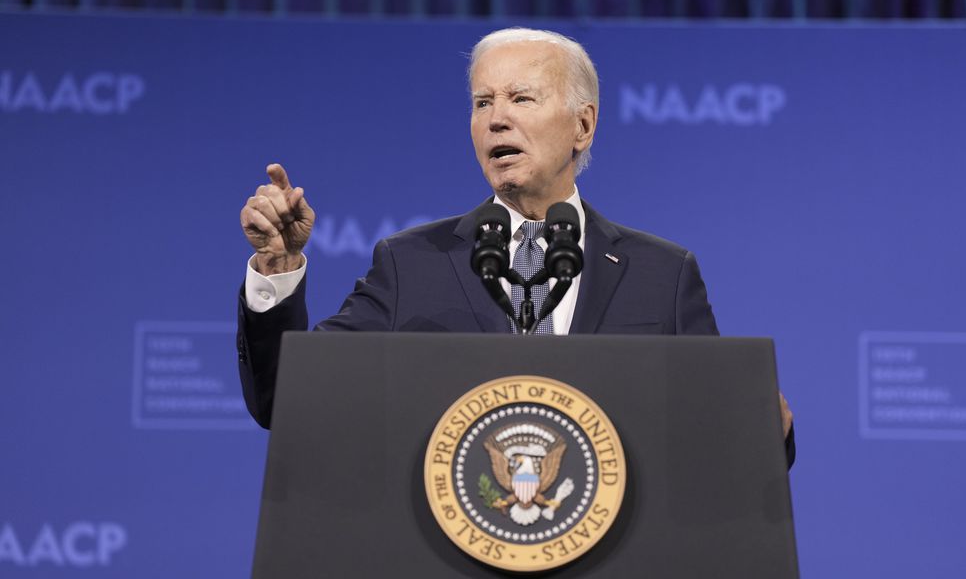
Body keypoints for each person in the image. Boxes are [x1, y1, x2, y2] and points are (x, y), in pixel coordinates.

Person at [236, 27, 795, 464]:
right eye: (482, 103)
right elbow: (287, 402)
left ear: (583, 125)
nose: (497, 118)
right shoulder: (410, 264)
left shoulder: (662, 274)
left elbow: (726, 438)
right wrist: (278, 267)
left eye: (521, 98)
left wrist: (763, 429)